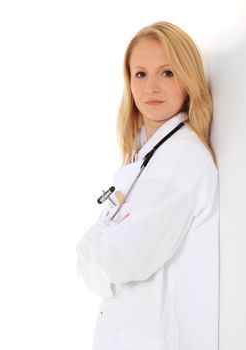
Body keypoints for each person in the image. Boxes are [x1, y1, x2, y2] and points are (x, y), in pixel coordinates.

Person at [75, 21, 219, 350]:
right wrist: (101, 252)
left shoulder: (183, 160)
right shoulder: (146, 156)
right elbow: (101, 272)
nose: (151, 87)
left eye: (167, 72)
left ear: (188, 78)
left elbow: (120, 260)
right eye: (140, 74)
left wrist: (89, 245)